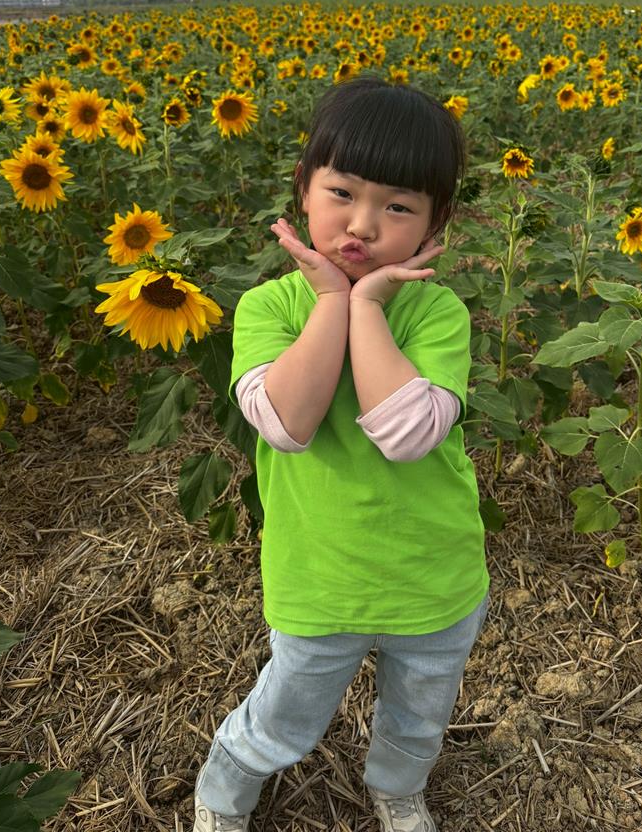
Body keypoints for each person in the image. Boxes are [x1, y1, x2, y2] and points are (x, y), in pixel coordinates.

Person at [193, 76, 490, 832]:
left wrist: (366, 305)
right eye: (342, 193)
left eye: (397, 207)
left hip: (433, 575)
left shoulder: (436, 312)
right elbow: (285, 424)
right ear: (303, 188)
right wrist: (332, 301)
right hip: (319, 578)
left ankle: (397, 788)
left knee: (418, 719)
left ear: (436, 223)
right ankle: (222, 793)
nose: (361, 225)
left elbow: (407, 434)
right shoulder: (269, 307)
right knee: (281, 717)